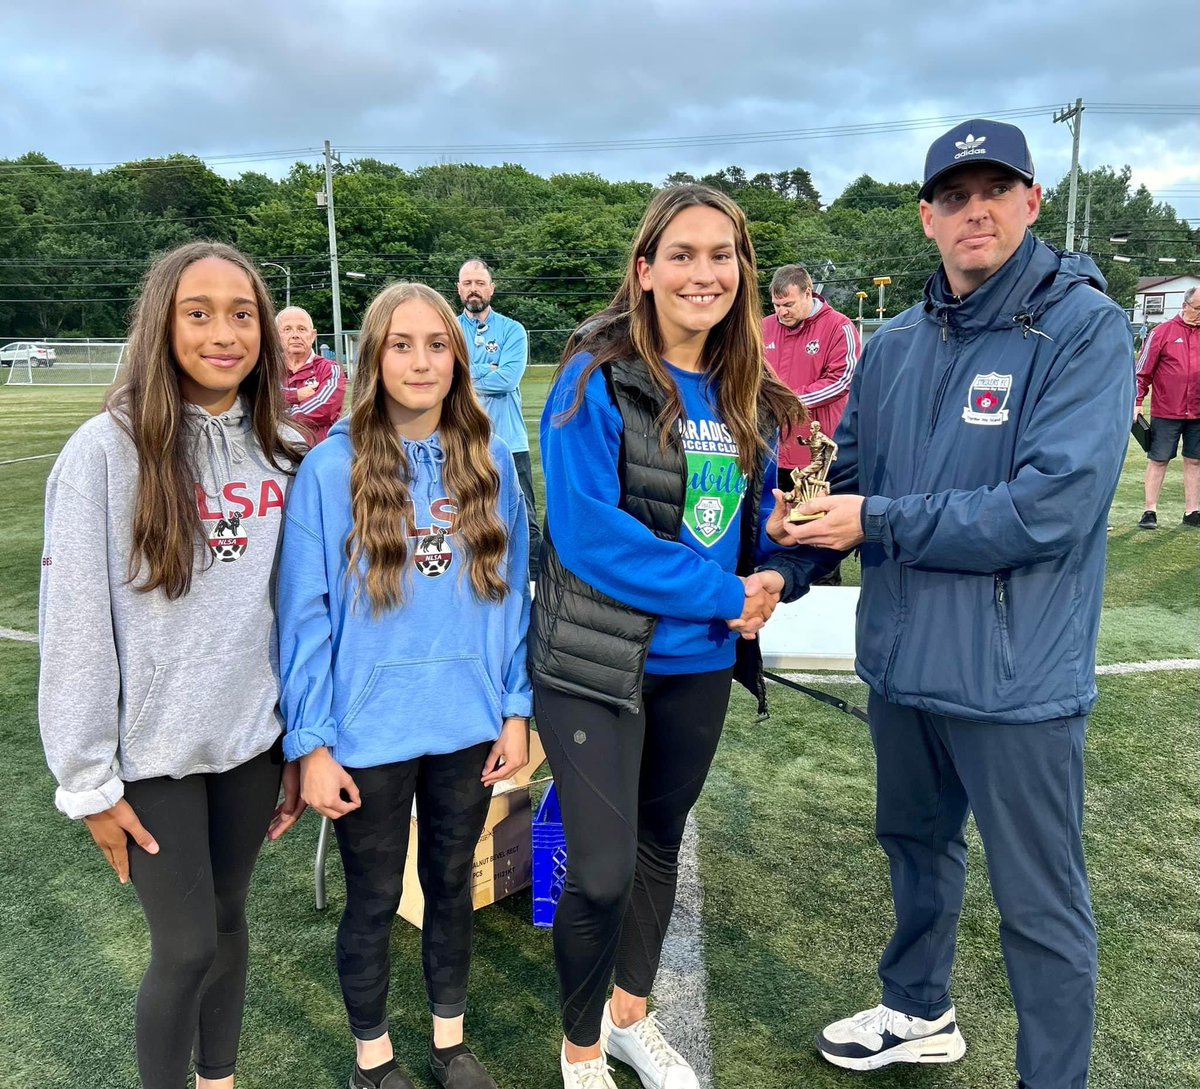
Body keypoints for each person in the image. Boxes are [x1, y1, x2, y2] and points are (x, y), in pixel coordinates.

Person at [760, 119, 1133, 1089]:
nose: (977, 211)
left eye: (996, 191)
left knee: (1040, 905)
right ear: (927, 218)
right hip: (905, 665)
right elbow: (855, 491)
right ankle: (919, 1010)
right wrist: (776, 571)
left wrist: (873, 517)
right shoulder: (895, 346)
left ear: (1032, 201)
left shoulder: (1084, 327)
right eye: (956, 197)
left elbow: (1049, 509)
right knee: (915, 849)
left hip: (1016, 680)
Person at [532, 184, 804, 1089]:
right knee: (601, 872)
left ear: (742, 271)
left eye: (720, 255)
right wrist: (723, 589)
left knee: (657, 844)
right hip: (597, 666)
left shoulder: (749, 393)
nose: (703, 272)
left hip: (701, 663)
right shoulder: (593, 374)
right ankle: (577, 1057)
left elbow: (751, 524)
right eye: (681, 254)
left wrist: (772, 570)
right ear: (644, 272)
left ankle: (627, 1020)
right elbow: (588, 532)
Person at [38, 240, 308, 1089]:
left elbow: (296, 615)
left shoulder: (285, 448)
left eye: (241, 314)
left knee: (228, 924)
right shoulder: (105, 450)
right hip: (148, 750)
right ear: (163, 322)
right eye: (200, 313)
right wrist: (87, 778)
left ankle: (219, 1079)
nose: (224, 333)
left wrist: (296, 741)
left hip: (250, 744)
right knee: (186, 943)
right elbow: (75, 620)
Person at [277, 282, 532, 1089]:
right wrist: (311, 741)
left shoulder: (489, 461)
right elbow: (305, 615)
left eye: (436, 343)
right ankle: (372, 1059)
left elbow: (515, 594)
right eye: (401, 343)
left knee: (451, 885)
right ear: (373, 357)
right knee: (376, 896)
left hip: (468, 724)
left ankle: (449, 1044)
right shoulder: (328, 467)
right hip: (368, 732)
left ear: (458, 357)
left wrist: (516, 708)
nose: (421, 360)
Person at [763, 263, 859, 583]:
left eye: (788, 305)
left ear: (808, 293)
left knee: (817, 536)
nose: (781, 313)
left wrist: (789, 401)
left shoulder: (838, 327)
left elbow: (843, 380)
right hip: (773, 455)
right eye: (776, 306)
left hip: (818, 460)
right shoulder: (763, 328)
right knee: (774, 532)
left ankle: (824, 593)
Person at [456, 259, 541, 582]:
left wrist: (464, 373)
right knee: (465, 516)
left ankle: (532, 588)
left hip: (509, 441)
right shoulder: (448, 329)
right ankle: (474, 582)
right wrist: (485, 369)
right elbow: (444, 377)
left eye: (479, 282)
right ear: (459, 289)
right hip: (462, 441)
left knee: (524, 519)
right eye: (467, 283)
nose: (473, 289)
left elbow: (507, 379)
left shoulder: (512, 330)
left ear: (491, 288)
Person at [1134, 286, 1199, 528]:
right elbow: (1142, 372)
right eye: (1198, 308)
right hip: (1166, 411)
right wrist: (1137, 401)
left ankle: (1192, 511)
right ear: (1185, 306)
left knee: (1194, 460)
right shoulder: (1161, 332)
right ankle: (1150, 510)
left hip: (1197, 411)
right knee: (1159, 459)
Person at [277, 306, 346, 443]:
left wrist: (279, 418)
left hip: (316, 452)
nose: (295, 335)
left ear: (313, 335)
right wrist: (296, 395)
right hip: (275, 452)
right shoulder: (266, 369)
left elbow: (324, 408)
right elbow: (261, 399)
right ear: (276, 336)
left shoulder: (330, 369)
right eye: (287, 329)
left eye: (302, 329)